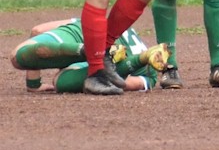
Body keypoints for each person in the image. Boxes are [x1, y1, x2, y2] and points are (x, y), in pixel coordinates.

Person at [10, 18, 170, 94]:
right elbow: (125, 84)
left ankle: (87, 50)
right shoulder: (149, 75)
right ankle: (135, 57)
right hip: (137, 64)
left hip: (85, 29)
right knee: (61, 80)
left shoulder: (90, 17)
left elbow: (37, 31)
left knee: (21, 57)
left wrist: (33, 84)